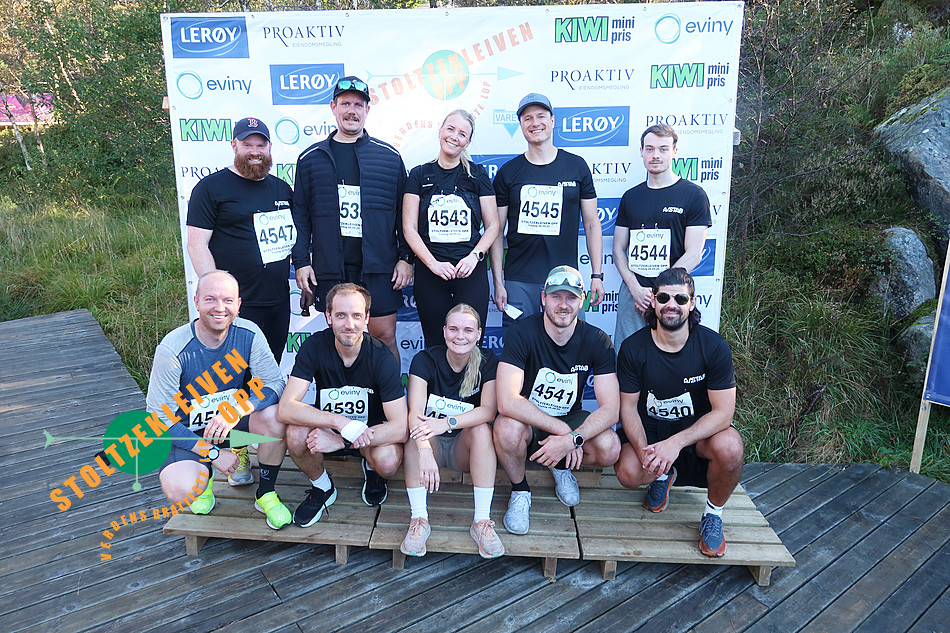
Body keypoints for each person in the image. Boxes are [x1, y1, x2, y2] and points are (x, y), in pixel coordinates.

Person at [147, 270, 292, 529]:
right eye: (210, 299)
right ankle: (206, 475)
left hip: (229, 422)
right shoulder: (172, 349)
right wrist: (212, 454)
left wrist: (239, 409)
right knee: (179, 489)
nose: (220, 308)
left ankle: (266, 493)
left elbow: (274, 383)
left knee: (275, 417)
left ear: (238, 304)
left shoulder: (249, 333)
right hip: (188, 432)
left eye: (227, 300)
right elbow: (159, 419)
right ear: (196, 302)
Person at [614, 267, 743, 557]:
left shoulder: (714, 347)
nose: (671, 304)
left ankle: (713, 514)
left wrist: (675, 443)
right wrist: (645, 452)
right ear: (653, 301)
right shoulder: (633, 348)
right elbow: (628, 408)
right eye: (664, 297)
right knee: (627, 471)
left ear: (692, 303)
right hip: (652, 435)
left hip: (696, 437)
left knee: (731, 447)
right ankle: (662, 475)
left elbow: (724, 413)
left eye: (680, 299)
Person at [493, 265, 620, 535]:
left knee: (610, 447)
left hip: (570, 417)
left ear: (582, 300)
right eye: (556, 297)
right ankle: (520, 490)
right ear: (543, 298)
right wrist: (563, 431)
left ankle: (561, 466)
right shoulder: (521, 333)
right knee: (505, 428)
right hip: (530, 418)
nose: (563, 305)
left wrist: (573, 438)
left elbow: (611, 410)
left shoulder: (598, 340)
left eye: (571, 297)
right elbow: (506, 400)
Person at [292, 76, 412, 358]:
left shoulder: (389, 157)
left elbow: (404, 214)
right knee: (340, 341)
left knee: (384, 337)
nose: (352, 111)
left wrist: (406, 258)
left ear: (367, 110)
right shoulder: (310, 159)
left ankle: (387, 390)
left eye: (358, 105)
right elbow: (301, 216)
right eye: (345, 103)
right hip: (331, 267)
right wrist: (301, 262)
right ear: (333, 107)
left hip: (379, 267)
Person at [277, 283, 408, 527]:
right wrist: (339, 422)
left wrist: (343, 440)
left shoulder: (382, 357)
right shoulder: (314, 346)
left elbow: (401, 428)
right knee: (295, 433)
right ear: (328, 317)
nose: (349, 324)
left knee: (388, 462)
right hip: (328, 431)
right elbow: (286, 408)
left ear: (366, 318)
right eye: (340, 315)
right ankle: (322, 487)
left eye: (356, 316)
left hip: (369, 434)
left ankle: (371, 467)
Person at [489, 93, 606, 330]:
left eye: (541, 116)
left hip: (566, 279)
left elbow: (592, 224)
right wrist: (498, 283)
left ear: (552, 121)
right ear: (521, 125)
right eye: (528, 118)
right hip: (519, 280)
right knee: (519, 347)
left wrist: (597, 275)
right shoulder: (508, 172)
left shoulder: (577, 166)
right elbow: (497, 231)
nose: (535, 123)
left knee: (570, 346)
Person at [186, 116, 294, 366]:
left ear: (269, 148)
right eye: (247, 145)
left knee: (268, 371)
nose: (255, 152)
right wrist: (218, 297)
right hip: (235, 306)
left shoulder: (282, 189)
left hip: (277, 302)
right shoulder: (210, 188)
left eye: (260, 145)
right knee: (232, 375)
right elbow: (196, 244)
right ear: (234, 145)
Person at [401, 304, 504, 558]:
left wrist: (447, 422)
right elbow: (415, 412)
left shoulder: (488, 361)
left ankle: (481, 522)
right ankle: (419, 519)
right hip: (432, 447)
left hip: (463, 450)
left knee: (482, 429)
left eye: (468, 330)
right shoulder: (424, 360)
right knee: (415, 433)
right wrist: (425, 450)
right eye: (454, 329)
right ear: (444, 331)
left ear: (479, 333)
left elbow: (488, 411)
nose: (460, 336)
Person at [403, 110, 500, 347]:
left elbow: (493, 225)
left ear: (468, 141)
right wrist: (432, 263)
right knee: (436, 344)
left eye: (462, 134)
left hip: (470, 271)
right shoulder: (418, 174)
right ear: (440, 131)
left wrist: (475, 256)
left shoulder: (478, 175)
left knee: (469, 343)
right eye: (450, 129)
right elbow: (409, 228)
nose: (454, 137)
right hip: (431, 272)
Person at [612, 124, 711, 348]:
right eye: (649, 149)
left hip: (673, 295)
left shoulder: (694, 195)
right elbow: (618, 249)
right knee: (626, 356)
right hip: (633, 293)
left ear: (674, 151)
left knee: (672, 356)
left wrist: (660, 294)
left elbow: (694, 253)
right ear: (641, 152)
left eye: (663, 149)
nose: (655, 155)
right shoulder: (631, 197)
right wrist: (635, 289)